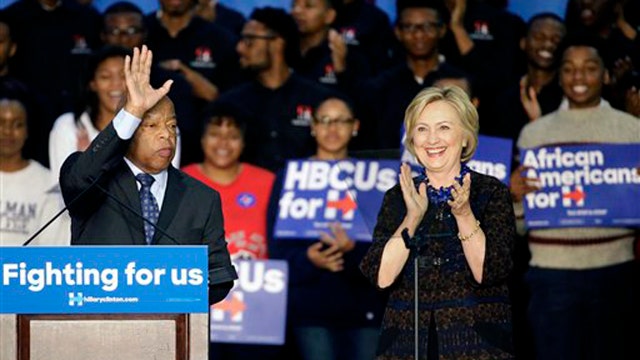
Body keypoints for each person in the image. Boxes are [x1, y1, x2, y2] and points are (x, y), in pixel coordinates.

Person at [59, 45, 237, 304]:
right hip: (98, 329)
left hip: (173, 333)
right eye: (151, 125)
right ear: (130, 129)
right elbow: (79, 179)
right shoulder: (94, 181)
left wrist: (165, 297)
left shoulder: (202, 198)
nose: (166, 134)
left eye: (172, 125)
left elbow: (219, 277)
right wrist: (132, 112)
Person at [360, 86, 516, 359]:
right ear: (411, 140)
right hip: (407, 347)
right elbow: (381, 277)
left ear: (465, 137)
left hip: (475, 346)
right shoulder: (398, 197)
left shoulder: (491, 192)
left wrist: (464, 214)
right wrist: (413, 217)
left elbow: (487, 272)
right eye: (421, 129)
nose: (432, 139)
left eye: (444, 127)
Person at [511, 37, 639, 360]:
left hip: (615, 271)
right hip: (551, 277)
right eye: (568, 69)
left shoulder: (632, 132)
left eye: (589, 68)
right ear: (559, 76)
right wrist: (514, 197)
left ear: (606, 76)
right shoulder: (534, 134)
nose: (578, 77)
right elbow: (522, 224)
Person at [269, 96, 386, 360]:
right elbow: (275, 248)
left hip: (363, 304)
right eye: (325, 121)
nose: (333, 129)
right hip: (310, 306)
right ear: (313, 126)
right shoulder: (289, 176)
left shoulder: (373, 177)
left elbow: (386, 250)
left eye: (341, 121)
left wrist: (353, 249)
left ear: (355, 126)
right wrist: (309, 259)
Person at [214, 6, 337, 172]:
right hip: (248, 195)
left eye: (249, 39)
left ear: (277, 43)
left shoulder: (319, 100)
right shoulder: (231, 103)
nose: (240, 48)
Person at [182, 101, 275, 261]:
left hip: (261, 282)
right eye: (215, 134)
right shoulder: (180, 182)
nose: (223, 143)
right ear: (202, 139)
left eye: (233, 136)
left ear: (244, 142)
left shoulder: (268, 182)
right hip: (198, 281)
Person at [0, 95, 70, 246]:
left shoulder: (46, 183)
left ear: (27, 131)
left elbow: (53, 247)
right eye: (1, 123)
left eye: (17, 124)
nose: (7, 131)